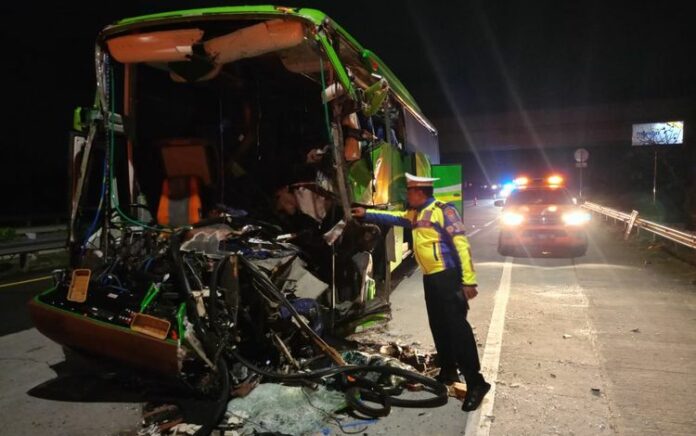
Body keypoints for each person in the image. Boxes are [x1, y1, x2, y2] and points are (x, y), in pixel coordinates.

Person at [351, 172, 491, 412]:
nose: (407, 195)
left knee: (458, 330)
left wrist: (468, 281)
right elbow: (393, 217)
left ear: (420, 193)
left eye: (410, 192)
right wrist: (366, 214)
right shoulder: (415, 214)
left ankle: (476, 383)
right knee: (439, 325)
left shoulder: (443, 211)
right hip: (430, 278)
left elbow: (461, 244)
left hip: (447, 276)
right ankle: (448, 372)